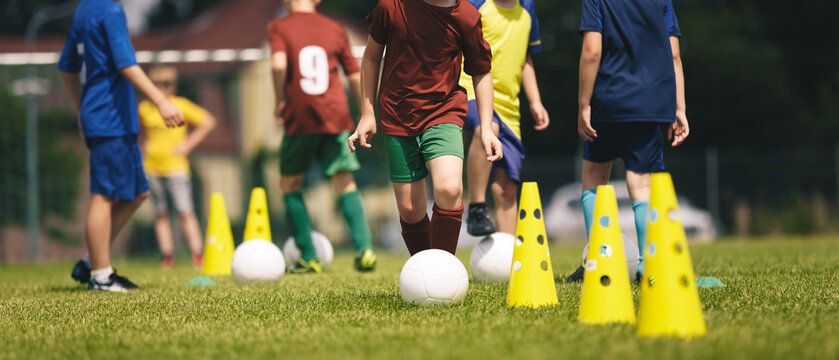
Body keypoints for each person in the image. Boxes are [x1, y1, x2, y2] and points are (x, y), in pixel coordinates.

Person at [349, 0, 502, 256]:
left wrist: (486, 127)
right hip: (397, 115)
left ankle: (442, 271)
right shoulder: (391, 7)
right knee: (410, 209)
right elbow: (371, 58)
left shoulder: (467, 16)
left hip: (445, 111)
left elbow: (482, 72)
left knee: (449, 188)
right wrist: (367, 113)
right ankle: (424, 272)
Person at [59, 0, 184, 291]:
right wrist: (161, 100)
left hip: (112, 118)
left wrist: (81, 110)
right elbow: (126, 64)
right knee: (103, 195)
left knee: (138, 192)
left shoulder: (84, 10)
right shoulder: (109, 11)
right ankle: (101, 277)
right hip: (109, 117)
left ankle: (91, 262)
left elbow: (67, 66)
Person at [566, 0, 689, 282]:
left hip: (609, 100)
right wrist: (678, 107)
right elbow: (674, 55)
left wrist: (584, 104)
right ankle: (649, 265)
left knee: (595, 177)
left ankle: (598, 258)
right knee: (642, 182)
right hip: (653, 101)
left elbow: (591, 52)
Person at [267, 0, 377, 273]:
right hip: (335, 115)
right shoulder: (334, 27)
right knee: (345, 182)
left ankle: (309, 256)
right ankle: (365, 250)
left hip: (299, 117)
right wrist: (365, 111)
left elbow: (279, 65)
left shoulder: (279, 26)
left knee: (290, 184)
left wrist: (279, 99)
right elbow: (353, 71)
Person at [459, 0, 550, 236]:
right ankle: (477, 208)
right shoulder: (475, 4)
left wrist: (536, 101)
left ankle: (509, 260)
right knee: (488, 128)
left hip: (509, 105)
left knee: (506, 188)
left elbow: (526, 59)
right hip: (470, 90)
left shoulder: (527, 8)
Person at [139, 66, 216, 269]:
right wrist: (143, 145)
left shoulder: (179, 105)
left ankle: (197, 254)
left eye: (166, 85)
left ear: (173, 86)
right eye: (157, 86)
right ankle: (167, 256)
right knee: (161, 213)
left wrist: (187, 145)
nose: (162, 90)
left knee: (185, 210)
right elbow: (139, 131)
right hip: (152, 167)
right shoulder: (145, 109)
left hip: (176, 167)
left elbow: (208, 121)